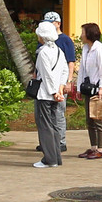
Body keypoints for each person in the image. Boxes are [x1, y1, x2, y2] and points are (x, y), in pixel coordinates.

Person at [31, 20, 69, 168]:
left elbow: (46, 75)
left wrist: (54, 92)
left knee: (45, 127)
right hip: (55, 95)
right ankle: (56, 158)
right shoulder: (58, 50)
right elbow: (64, 70)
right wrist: (59, 89)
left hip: (45, 95)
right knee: (53, 126)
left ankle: (49, 159)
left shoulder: (43, 53)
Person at [76, 22, 102, 160]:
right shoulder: (86, 48)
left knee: (98, 119)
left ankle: (101, 149)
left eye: (83, 32)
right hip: (88, 88)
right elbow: (82, 70)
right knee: (89, 119)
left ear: (89, 34)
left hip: (99, 88)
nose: (81, 35)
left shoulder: (99, 49)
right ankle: (93, 147)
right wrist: (79, 88)